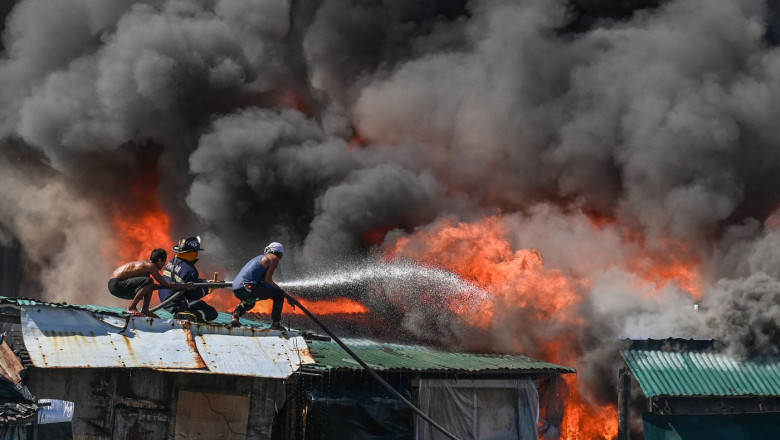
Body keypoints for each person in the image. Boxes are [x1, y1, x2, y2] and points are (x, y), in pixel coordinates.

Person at [108, 248, 193, 317]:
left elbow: (152, 286)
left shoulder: (146, 267)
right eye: (164, 262)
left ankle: (145, 310)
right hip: (116, 284)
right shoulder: (150, 266)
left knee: (149, 284)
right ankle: (131, 307)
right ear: (160, 260)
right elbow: (167, 285)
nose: (164, 265)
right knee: (149, 281)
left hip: (117, 285)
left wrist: (180, 286)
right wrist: (186, 285)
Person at [157, 236, 219, 322]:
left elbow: (184, 279)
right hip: (177, 302)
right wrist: (206, 288)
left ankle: (182, 312)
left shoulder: (173, 261)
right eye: (196, 251)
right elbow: (193, 294)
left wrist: (204, 282)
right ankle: (184, 315)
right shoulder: (191, 270)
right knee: (211, 313)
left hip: (164, 299)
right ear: (192, 252)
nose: (197, 253)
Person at [230, 242, 288, 330]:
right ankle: (276, 324)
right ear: (279, 254)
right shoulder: (273, 258)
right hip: (248, 288)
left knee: (250, 301)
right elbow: (268, 281)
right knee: (279, 294)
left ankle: (235, 316)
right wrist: (281, 291)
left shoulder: (258, 258)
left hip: (237, 288)